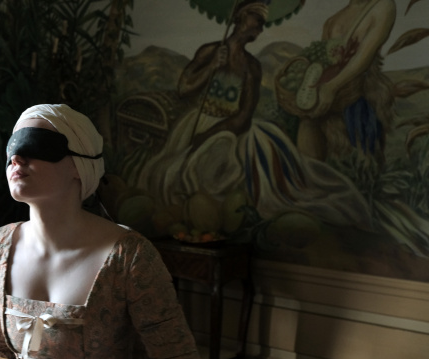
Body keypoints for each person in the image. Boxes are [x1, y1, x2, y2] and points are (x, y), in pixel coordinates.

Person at [0, 104, 243, 359]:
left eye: (35, 145)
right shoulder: (0, 244)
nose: (16, 158)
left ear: (79, 165)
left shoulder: (128, 255)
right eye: (11, 149)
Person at [132, 0, 373, 229]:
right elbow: (184, 89)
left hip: (231, 131)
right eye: (256, 19)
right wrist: (211, 67)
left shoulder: (252, 67)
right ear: (241, 16)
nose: (259, 27)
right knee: (167, 174)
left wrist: (209, 135)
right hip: (195, 122)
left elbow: (244, 116)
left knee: (228, 172)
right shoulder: (209, 51)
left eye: (262, 23)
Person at [294, 0, 395, 168]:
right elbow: (323, 62)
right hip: (331, 97)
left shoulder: (383, 6)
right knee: (309, 123)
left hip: (363, 93)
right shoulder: (332, 21)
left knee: (362, 161)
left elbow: (363, 58)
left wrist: (331, 88)